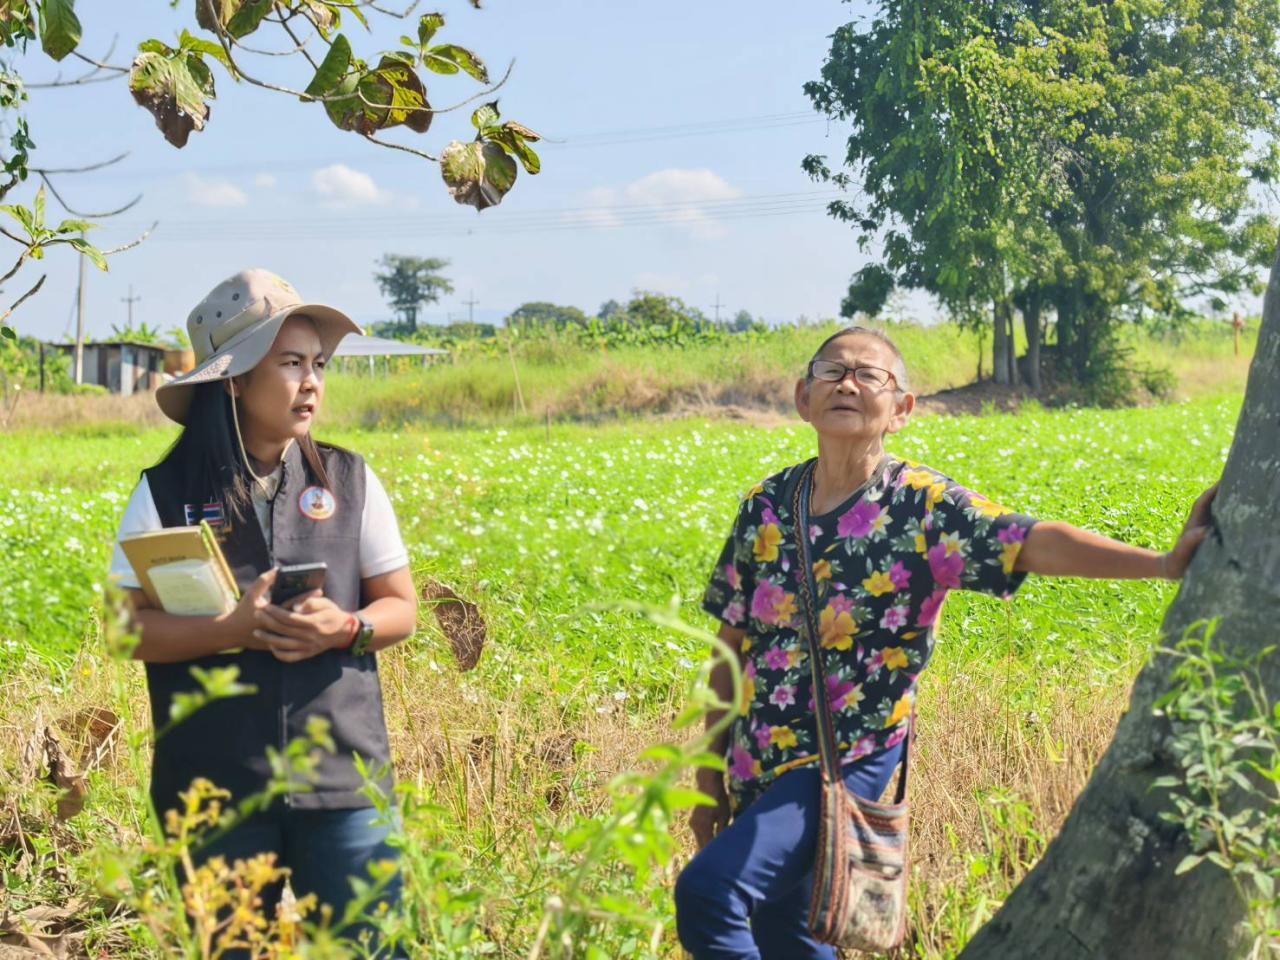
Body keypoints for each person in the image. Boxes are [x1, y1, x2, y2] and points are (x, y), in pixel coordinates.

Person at [675, 325, 1216, 960]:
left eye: (870, 374)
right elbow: (730, 649)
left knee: (710, 893)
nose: (848, 383)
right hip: (754, 762)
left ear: (901, 409)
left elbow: (1030, 541)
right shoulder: (765, 506)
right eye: (832, 371)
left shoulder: (923, 509)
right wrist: (709, 776)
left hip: (844, 762)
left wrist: (1160, 562)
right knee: (784, 933)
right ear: (802, 397)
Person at [108, 269, 418, 950]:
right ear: (234, 381)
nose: (311, 382)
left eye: (318, 365)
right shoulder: (165, 493)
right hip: (214, 794)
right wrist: (232, 630)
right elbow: (123, 627)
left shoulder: (350, 480)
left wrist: (346, 628)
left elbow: (400, 609)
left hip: (342, 783)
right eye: (289, 363)